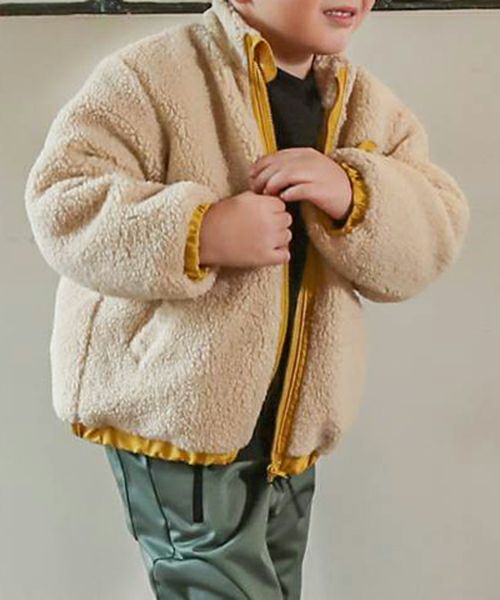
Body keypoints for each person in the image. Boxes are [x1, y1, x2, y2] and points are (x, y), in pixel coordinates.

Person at [24, 0, 470, 597]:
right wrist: (199, 231)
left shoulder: (368, 107)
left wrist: (354, 192)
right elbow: (62, 200)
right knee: (218, 584)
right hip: (180, 415)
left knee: (274, 587)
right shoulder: (151, 77)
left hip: (290, 432)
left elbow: (435, 230)